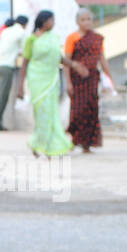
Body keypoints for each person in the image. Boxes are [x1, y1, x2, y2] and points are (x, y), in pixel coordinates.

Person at [17, 10, 84, 158]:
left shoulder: (54, 38)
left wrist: (74, 65)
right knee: (41, 114)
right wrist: (20, 86)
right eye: (50, 20)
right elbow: (25, 63)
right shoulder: (32, 40)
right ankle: (40, 143)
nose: (52, 23)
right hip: (37, 81)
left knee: (52, 114)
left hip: (52, 80)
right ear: (43, 21)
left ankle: (47, 145)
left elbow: (60, 58)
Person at [66, 8, 115, 153]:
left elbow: (101, 58)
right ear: (77, 22)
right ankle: (75, 140)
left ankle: (87, 144)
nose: (87, 22)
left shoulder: (97, 38)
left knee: (92, 110)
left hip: (92, 79)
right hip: (77, 79)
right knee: (77, 110)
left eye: (89, 19)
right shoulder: (72, 38)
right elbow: (67, 62)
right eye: (83, 20)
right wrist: (68, 82)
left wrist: (109, 76)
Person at [0, 15, 28, 131]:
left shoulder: (6, 31)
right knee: (2, 96)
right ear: (24, 24)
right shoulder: (21, 32)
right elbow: (26, 51)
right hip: (7, 66)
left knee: (1, 96)